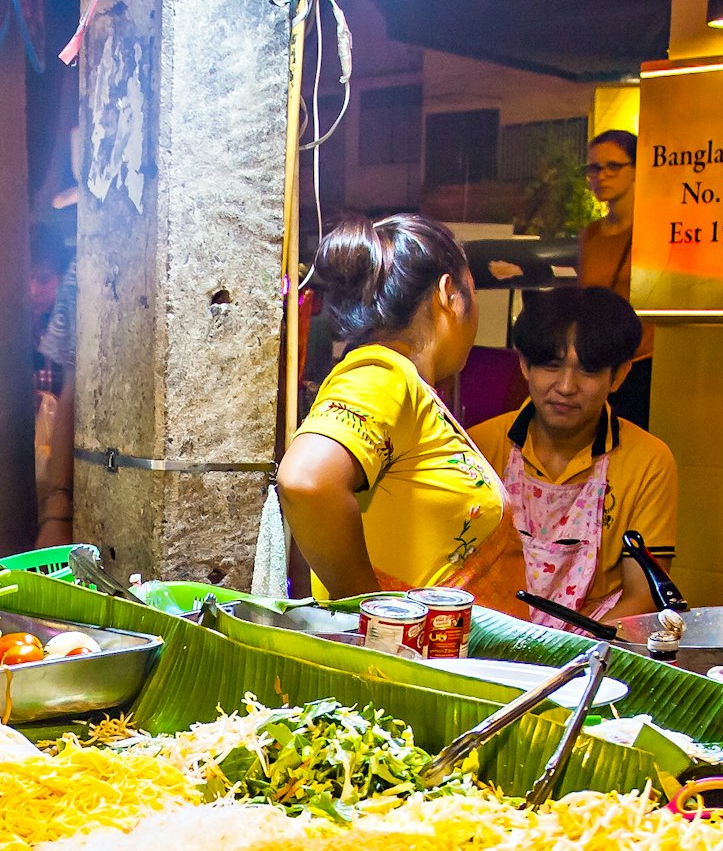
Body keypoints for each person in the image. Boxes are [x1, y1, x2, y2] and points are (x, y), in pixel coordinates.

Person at [280, 214, 525, 606]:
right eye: (473, 291)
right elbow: (307, 480)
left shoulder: (409, 388)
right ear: (449, 292)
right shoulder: (384, 373)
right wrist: (370, 612)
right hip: (410, 662)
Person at [474, 286, 678, 621]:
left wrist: (568, 652)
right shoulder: (480, 445)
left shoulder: (650, 461)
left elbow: (643, 598)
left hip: (594, 651)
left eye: (588, 370)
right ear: (525, 364)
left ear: (620, 375)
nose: (566, 386)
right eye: (551, 366)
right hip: (493, 642)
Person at [572, 130, 655, 424]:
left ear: (636, 169)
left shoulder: (654, 230)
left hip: (644, 363)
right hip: (601, 360)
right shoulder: (591, 235)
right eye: (594, 168)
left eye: (613, 166)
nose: (601, 176)